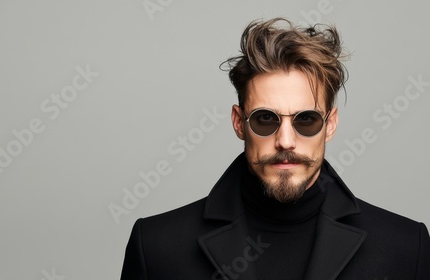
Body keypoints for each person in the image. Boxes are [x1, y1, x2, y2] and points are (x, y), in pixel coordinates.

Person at [120, 17, 430, 280]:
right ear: (239, 122)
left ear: (330, 124)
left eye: (306, 120)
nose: (285, 140)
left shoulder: (405, 249)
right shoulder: (157, 248)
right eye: (265, 119)